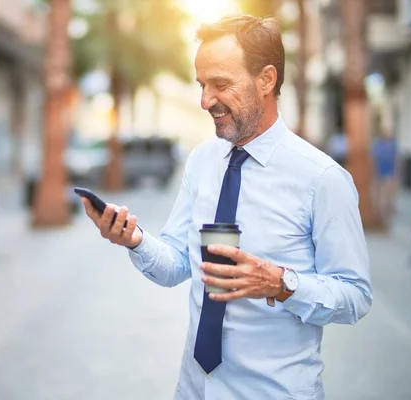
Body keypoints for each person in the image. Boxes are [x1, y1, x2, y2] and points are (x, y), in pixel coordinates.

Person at [81, 15, 372, 399]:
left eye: (221, 84)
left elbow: (355, 296)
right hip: (194, 388)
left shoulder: (322, 179)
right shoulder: (202, 161)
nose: (205, 101)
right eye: (202, 85)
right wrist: (134, 240)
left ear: (266, 80)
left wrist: (281, 283)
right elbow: (178, 265)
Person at [372, 128, 398, 222]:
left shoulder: (391, 144)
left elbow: (395, 158)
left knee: (390, 192)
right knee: (382, 192)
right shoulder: (379, 144)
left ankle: (389, 209)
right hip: (381, 171)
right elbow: (375, 158)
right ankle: (381, 211)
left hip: (389, 171)